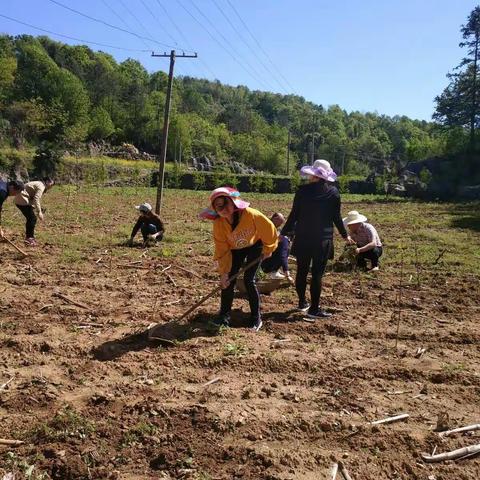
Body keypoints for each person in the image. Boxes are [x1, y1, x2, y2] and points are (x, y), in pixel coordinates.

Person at [282, 159, 353, 319]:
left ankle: (302, 303)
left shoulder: (302, 191)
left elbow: (294, 215)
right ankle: (314, 309)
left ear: (313, 174)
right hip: (322, 239)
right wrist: (344, 234)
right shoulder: (333, 193)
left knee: (301, 270)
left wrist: (284, 233)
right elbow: (336, 217)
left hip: (303, 238)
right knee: (317, 274)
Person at [200, 187, 278, 332]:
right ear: (215, 209)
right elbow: (222, 250)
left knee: (249, 280)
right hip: (234, 250)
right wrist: (224, 273)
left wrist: (268, 249)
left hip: (255, 245)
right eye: (219, 206)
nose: (224, 209)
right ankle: (224, 316)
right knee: (228, 280)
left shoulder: (251, 214)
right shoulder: (219, 224)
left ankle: (256, 317)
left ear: (234, 202)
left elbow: (270, 229)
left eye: (226, 204)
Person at [14, 177, 55, 246]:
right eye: (51, 183)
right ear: (47, 182)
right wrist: (39, 212)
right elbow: (36, 199)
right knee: (32, 219)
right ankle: (29, 238)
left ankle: (29, 237)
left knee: (31, 218)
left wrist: (36, 208)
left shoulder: (38, 183)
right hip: (22, 200)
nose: (52, 186)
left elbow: (31, 197)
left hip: (20, 200)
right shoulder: (41, 186)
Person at [261, 212, 293, 282]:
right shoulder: (284, 240)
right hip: (264, 261)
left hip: (262, 256)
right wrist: (288, 275)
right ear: (274, 218)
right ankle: (272, 271)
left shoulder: (271, 227)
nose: (280, 225)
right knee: (284, 252)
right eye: (279, 222)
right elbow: (282, 256)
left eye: (281, 223)